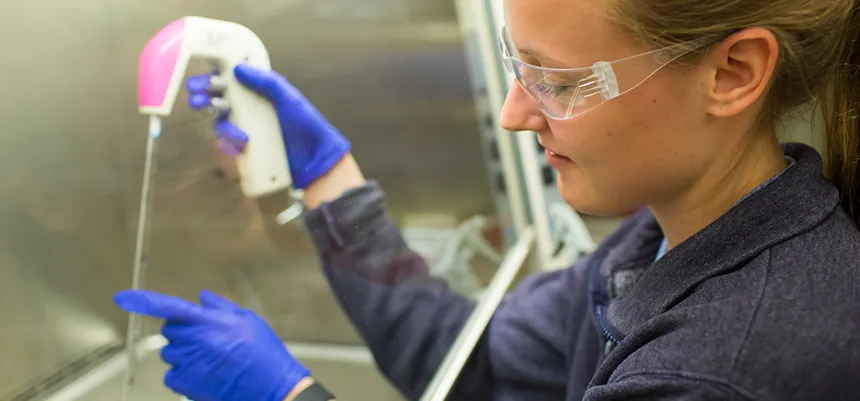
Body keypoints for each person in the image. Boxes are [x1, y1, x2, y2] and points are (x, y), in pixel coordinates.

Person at [113, 0, 860, 399]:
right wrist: (328, 178)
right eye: (516, 66)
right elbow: (479, 367)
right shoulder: (656, 242)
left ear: (732, 73)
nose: (514, 112)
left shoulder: (726, 365)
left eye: (558, 81)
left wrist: (288, 396)